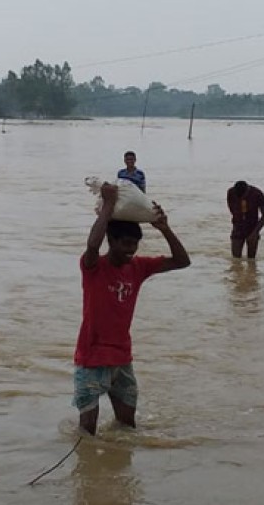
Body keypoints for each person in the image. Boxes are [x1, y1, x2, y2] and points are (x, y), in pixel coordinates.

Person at [75, 183, 189, 435]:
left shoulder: (138, 267)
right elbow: (92, 246)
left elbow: (182, 261)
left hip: (122, 359)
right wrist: (108, 205)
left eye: (134, 245)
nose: (130, 250)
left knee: (127, 428)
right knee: (87, 432)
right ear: (111, 241)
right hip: (92, 359)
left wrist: (165, 228)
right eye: (125, 244)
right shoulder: (94, 267)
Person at [226, 180, 264, 259]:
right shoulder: (231, 192)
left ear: (247, 191)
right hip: (238, 226)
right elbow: (231, 207)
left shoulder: (257, 194)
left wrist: (255, 232)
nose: (241, 198)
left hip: (253, 227)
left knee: (251, 259)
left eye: (242, 196)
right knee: (235, 259)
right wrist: (238, 219)